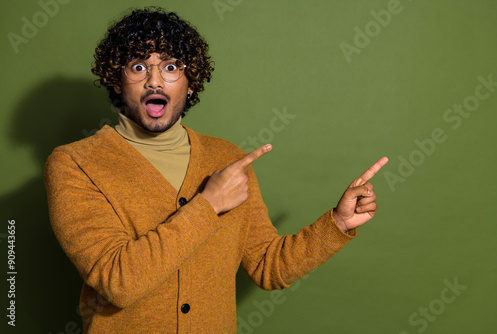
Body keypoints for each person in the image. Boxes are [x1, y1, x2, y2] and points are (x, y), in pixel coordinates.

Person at [44, 7, 388, 334]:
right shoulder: (75, 164)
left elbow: (269, 266)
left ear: (190, 82)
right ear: (117, 81)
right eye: (137, 67)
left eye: (171, 67)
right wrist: (209, 204)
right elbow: (118, 281)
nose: (154, 81)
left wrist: (338, 224)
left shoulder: (227, 158)